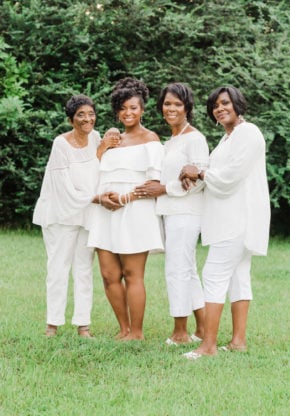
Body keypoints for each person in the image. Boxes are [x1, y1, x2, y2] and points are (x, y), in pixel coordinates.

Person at [179, 86, 271, 359]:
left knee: (214, 275)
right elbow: (212, 174)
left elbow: (230, 176)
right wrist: (192, 175)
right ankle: (238, 341)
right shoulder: (227, 139)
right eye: (215, 106)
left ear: (237, 104)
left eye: (225, 103)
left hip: (237, 218)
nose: (220, 109)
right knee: (239, 277)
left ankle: (207, 346)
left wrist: (200, 172)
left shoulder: (249, 132)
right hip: (227, 217)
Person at [87, 77, 164, 341]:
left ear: (142, 110)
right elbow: (92, 174)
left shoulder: (150, 139)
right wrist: (101, 149)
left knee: (132, 274)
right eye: (123, 108)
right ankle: (123, 328)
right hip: (104, 211)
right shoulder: (112, 140)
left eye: (133, 108)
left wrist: (123, 198)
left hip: (134, 210)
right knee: (109, 275)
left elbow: (154, 182)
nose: (128, 113)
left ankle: (137, 332)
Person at [134, 82, 209, 344]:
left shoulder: (195, 138)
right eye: (167, 103)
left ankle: (180, 332)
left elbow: (200, 181)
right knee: (187, 269)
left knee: (176, 269)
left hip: (187, 212)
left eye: (178, 103)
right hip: (170, 212)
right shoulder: (171, 141)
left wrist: (163, 188)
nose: (172, 108)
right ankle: (202, 328)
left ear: (187, 107)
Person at [33, 94, 102, 338]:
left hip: (86, 215)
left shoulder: (96, 138)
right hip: (60, 215)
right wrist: (94, 198)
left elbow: (101, 169)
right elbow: (62, 186)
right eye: (81, 114)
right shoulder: (60, 144)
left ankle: (83, 325)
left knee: (84, 269)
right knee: (58, 268)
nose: (87, 119)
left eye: (91, 113)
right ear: (71, 119)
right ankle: (52, 324)